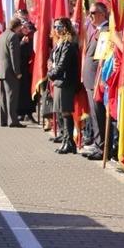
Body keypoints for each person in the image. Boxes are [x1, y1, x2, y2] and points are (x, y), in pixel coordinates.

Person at [80, 2, 109, 160]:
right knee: (94, 115)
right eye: (89, 13)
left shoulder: (105, 31)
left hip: (96, 80)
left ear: (102, 14)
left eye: (93, 13)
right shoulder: (97, 31)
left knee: (98, 115)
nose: (90, 16)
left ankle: (101, 146)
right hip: (91, 80)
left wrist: (99, 80)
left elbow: (102, 59)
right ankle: (99, 144)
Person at [47, 18, 80, 152]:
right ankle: (67, 140)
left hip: (65, 81)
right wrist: (50, 66)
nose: (56, 29)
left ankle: (69, 142)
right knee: (62, 111)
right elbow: (52, 59)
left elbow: (62, 65)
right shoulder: (60, 43)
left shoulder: (68, 44)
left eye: (59, 26)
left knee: (66, 111)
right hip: (59, 81)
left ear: (66, 27)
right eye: (54, 26)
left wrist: (50, 74)